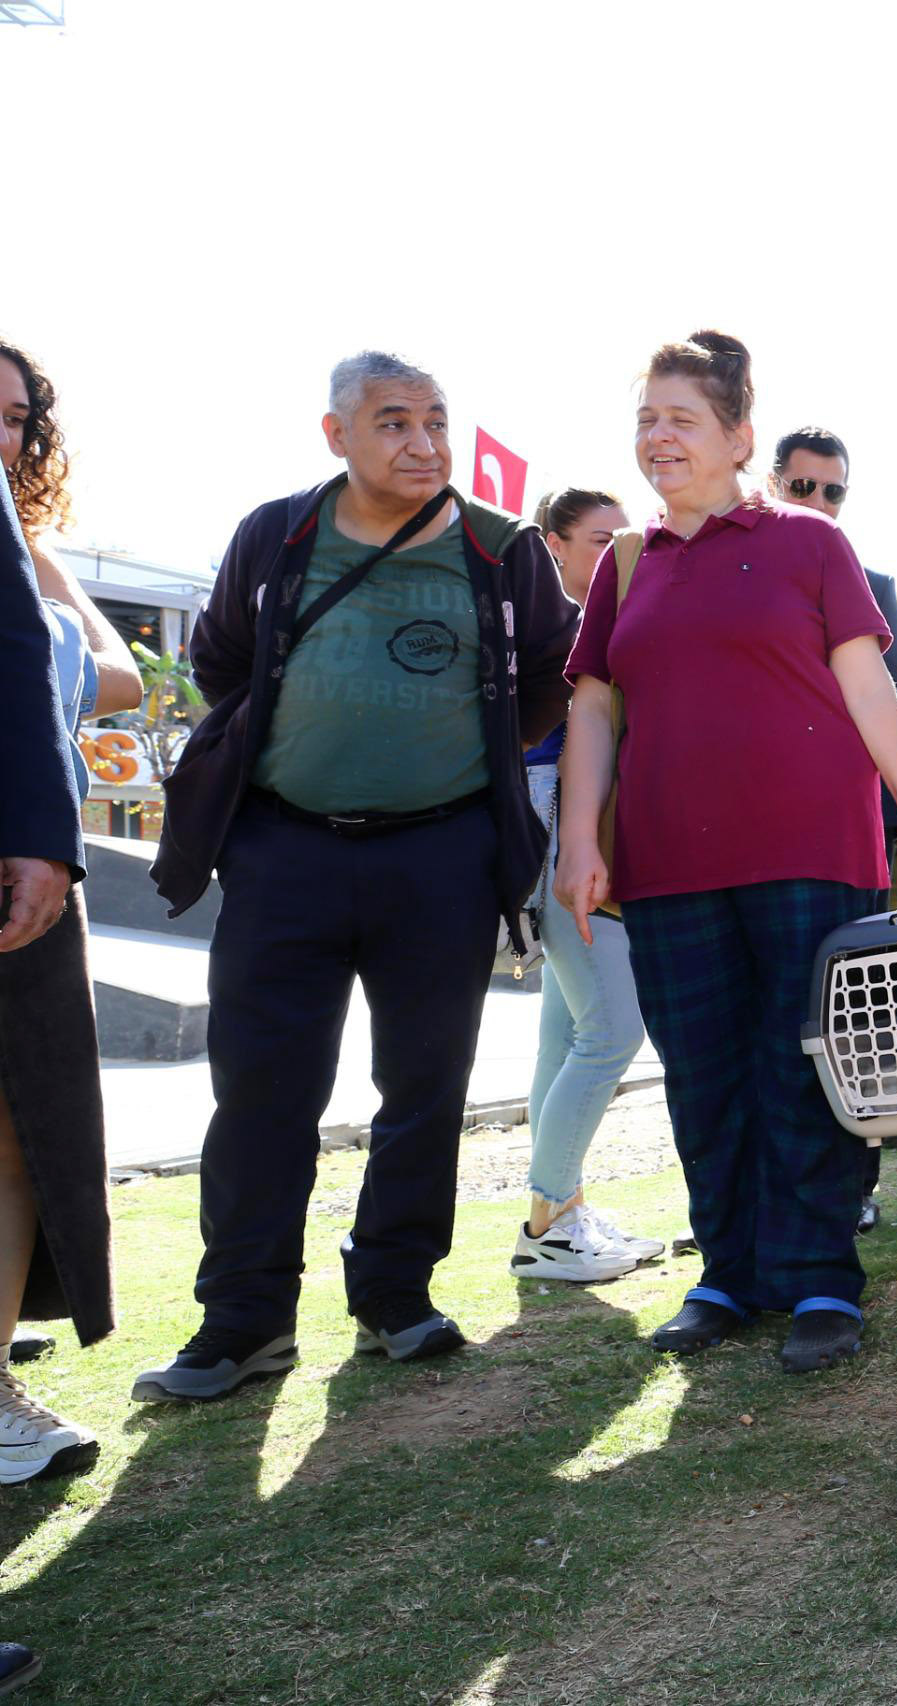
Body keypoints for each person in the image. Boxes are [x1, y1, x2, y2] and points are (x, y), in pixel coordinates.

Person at [131, 353, 579, 1401]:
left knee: (424, 1086)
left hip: (442, 853)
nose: (423, 444)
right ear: (336, 434)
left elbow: (553, 675)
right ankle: (242, 1321)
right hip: (283, 849)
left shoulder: (498, 548)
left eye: (436, 421)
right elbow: (222, 665)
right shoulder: (278, 532)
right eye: (393, 423)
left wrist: (460, 757)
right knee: (259, 1091)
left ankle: (394, 1294)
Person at [552, 332, 897, 1375]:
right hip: (667, 863)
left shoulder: (811, 545)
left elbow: (873, 693)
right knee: (701, 1071)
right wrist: (577, 837)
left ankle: (820, 1272)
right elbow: (593, 708)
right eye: (645, 417)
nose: (657, 436)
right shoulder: (625, 565)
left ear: (739, 436)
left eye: (681, 417)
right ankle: (727, 1269)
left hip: (812, 850)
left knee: (806, 1061)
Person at [3, 346, 134, 1481]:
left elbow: (124, 674)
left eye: (14, 417)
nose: (1, 435)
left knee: (20, 1138)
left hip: (24, 860)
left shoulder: (25, 549)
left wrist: (38, 608)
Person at [508, 487, 663, 1285]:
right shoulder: (550, 630)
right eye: (600, 540)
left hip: (570, 838)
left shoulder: (587, 626)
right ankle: (549, 1221)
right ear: (553, 546)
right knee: (611, 1032)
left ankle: (557, 1212)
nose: (617, 556)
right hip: (556, 843)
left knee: (565, 1037)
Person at [767, 426, 897, 914]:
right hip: (755, 819)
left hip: (850, 825)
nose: (817, 501)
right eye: (802, 486)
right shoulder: (732, 579)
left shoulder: (871, 585)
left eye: (832, 491)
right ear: (773, 484)